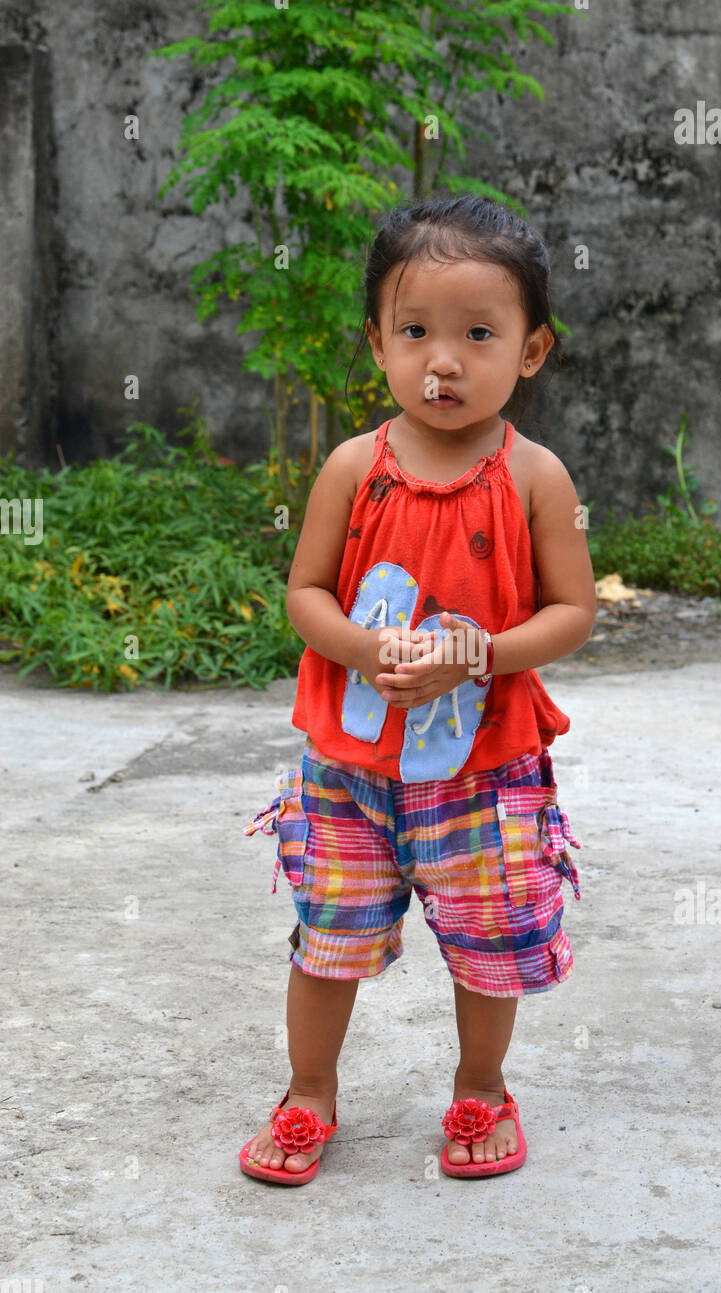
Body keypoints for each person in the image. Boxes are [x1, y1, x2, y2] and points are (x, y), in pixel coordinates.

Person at [239, 194, 596, 1185]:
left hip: (482, 772)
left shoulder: (535, 478)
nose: (442, 360)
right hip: (348, 770)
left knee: (488, 945)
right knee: (328, 940)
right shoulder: (355, 468)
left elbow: (569, 613)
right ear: (376, 343)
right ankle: (309, 1089)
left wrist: (477, 654)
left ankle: (481, 1086)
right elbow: (304, 590)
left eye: (477, 334)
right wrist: (357, 648)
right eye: (414, 332)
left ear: (530, 352)